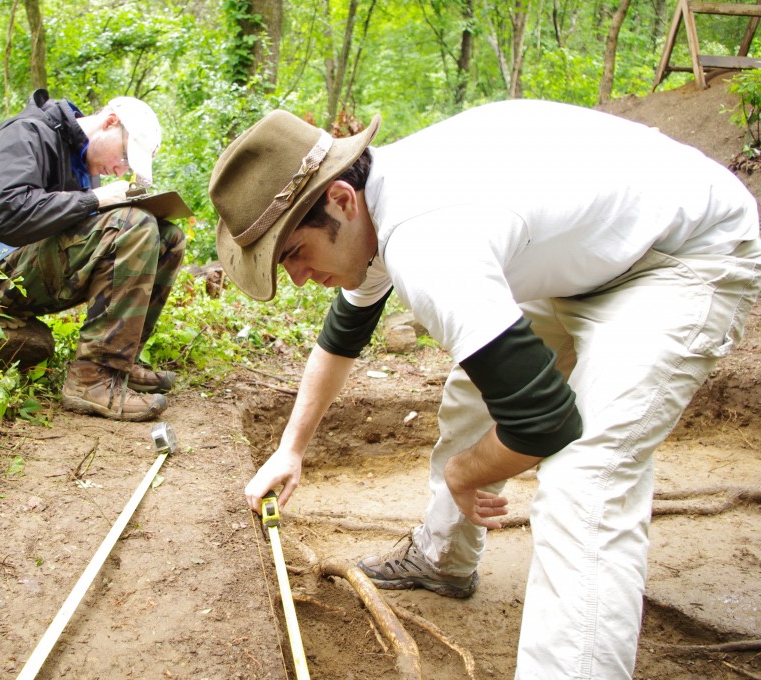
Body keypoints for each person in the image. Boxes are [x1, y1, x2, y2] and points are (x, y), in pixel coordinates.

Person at [208, 101, 761, 678]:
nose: (297, 277)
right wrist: (289, 448)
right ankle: (444, 558)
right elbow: (342, 336)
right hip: (585, 250)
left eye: (294, 254)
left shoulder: (428, 239)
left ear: (340, 200)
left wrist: (465, 472)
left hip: (683, 251)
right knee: (477, 391)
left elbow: (546, 422)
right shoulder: (368, 203)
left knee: (587, 476)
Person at [0, 89, 185, 422]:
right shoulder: (25, 134)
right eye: (125, 156)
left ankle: (119, 363)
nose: (120, 169)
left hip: (27, 268)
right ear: (109, 122)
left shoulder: (85, 160)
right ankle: (91, 380)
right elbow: (6, 216)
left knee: (168, 237)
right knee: (133, 224)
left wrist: (102, 202)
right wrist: (96, 200)